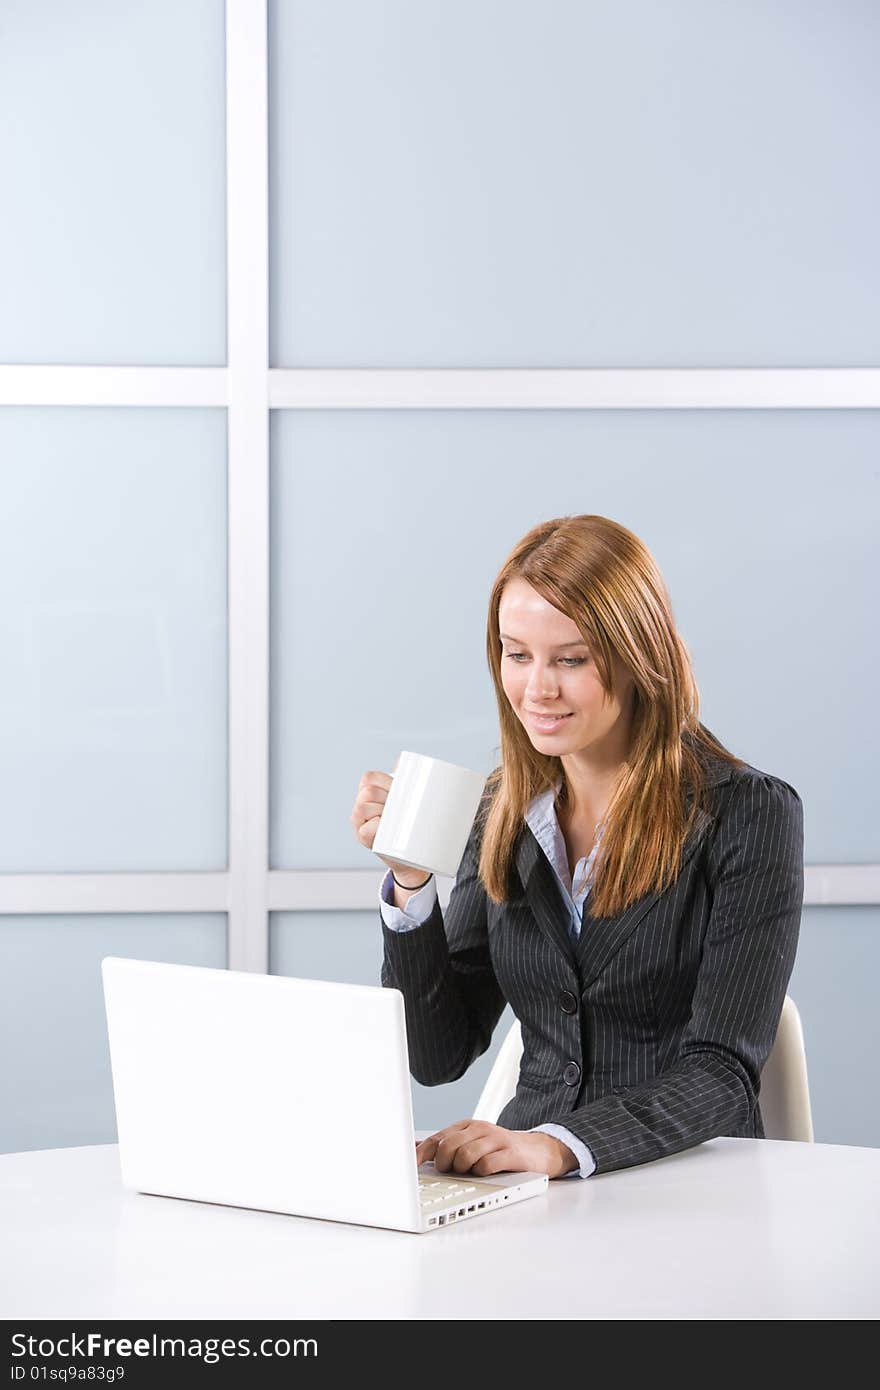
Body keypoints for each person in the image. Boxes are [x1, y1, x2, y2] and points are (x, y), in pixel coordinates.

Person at [350, 514, 804, 1180]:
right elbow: (437, 1055)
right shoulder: (500, 811)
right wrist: (413, 885)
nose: (538, 689)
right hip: (526, 1190)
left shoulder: (748, 814)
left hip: (686, 1186)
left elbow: (722, 1072)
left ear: (639, 655)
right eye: (517, 654)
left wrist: (556, 1144)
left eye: (572, 659)